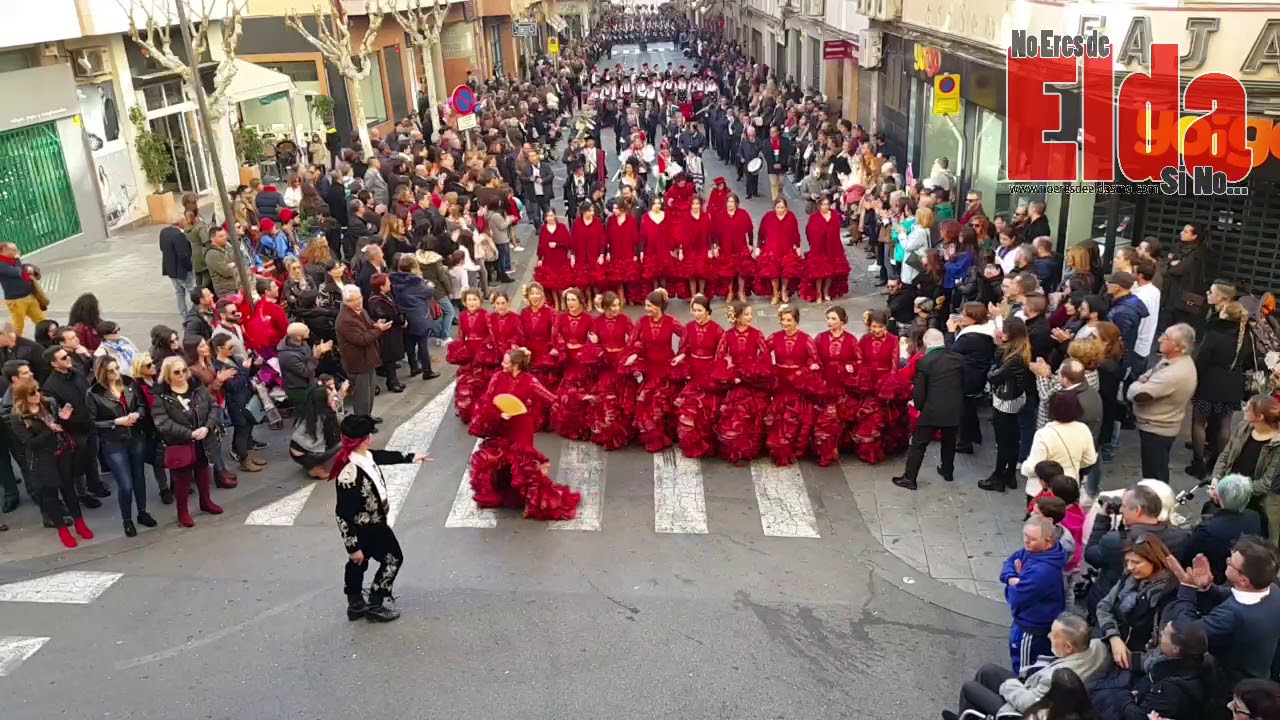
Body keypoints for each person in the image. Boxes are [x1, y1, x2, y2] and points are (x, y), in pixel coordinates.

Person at [332, 413, 430, 623]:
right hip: (369, 528)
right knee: (393, 559)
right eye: (369, 434)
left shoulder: (365, 456)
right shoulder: (349, 473)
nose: (372, 438)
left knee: (359, 562)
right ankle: (375, 603)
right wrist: (352, 547)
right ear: (365, 439)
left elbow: (384, 456)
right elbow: (342, 514)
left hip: (375, 523)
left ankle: (355, 603)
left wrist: (411, 457)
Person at [467, 348, 580, 521]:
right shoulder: (497, 377)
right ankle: (506, 495)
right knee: (498, 460)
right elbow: (487, 400)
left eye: (505, 362)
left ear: (516, 365)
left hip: (521, 426)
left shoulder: (530, 381)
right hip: (502, 425)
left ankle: (532, 502)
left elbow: (551, 398)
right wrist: (497, 415)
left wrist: (572, 399)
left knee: (523, 464)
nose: (502, 364)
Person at [942, 613, 1109, 720]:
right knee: (987, 670)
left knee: (969, 688)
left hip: (1024, 713)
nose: (1049, 636)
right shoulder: (1096, 647)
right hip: (1041, 698)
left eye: (1054, 635)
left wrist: (1008, 686)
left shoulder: (1056, 677)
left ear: (1068, 647)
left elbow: (1027, 704)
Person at [1164, 535, 1280, 686]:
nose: (1227, 561)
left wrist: (1187, 589)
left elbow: (1184, 632)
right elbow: (1231, 594)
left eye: (1230, 563)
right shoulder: (1272, 590)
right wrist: (1206, 587)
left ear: (1244, 580)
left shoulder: (1231, 615)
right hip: (1260, 674)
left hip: (1229, 686)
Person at [1085, 484, 1191, 614]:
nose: (1121, 510)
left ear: (1138, 510)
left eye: (1123, 506)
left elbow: (1090, 555)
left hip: (1113, 605)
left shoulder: (1115, 541)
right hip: (1155, 605)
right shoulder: (1181, 537)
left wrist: (1102, 519)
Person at [9, 377, 88, 548]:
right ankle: (62, 530)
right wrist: (48, 430)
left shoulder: (48, 403)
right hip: (42, 460)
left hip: (62, 453)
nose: (37, 395)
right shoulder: (18, 417)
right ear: (23, 396)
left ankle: (80, 523)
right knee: (50, 495)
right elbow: (30, 443)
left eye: (37, 390)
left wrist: (63, 419)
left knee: (69, 489)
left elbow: (59, 427)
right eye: (32, 393)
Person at [88, 356, 158, 537]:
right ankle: (127, 519)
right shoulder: (94, 393)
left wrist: (137, 414)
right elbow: (92, 423)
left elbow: (142, 405)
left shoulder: (128, 383)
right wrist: (115, 422)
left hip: (135, 437)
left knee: (139, 477)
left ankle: (142, 512)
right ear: (102, 373)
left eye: (117, 368)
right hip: (114, 442)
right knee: (125, 484)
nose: (116, 373)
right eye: (111, 370)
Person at [151, 356, 223, 528]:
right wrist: (189, 433)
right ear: (168, 375)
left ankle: (206, 502)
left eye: (184, 370)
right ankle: (182, 511)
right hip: (181, 442)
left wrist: (207, 427)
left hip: (203, 438)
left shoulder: (197, 387)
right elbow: (163, 423)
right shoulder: (162, 396)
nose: (182, 374)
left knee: (203, 472)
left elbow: (213, 405)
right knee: (182, 479)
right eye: (177, 372)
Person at [1095, 532, 1179, 669]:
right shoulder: (1129, 577)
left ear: (1155, 560)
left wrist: (1132, 661)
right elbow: (1104, 606)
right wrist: (1113, 636)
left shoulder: (1168, 594)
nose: (1129, 567)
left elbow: (1164, 647)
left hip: (1138, 662)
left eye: (1136, 562)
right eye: (1127, 561)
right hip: (1112, 645)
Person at [893, 329, 964, 489]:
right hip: (954, 407)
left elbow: (920, 390)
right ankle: (948, 471)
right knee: (949, 440)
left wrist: (918, 406)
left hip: (932, 408)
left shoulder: (924, 361)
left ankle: (909, 478)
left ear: (926, 343)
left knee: (918, 444)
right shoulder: (958, 359)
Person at [1127, 323, 1198, 482]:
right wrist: (1144, 380)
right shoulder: (1169, 361)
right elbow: (1149, 375)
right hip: (1157, 426)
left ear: (1179, 346)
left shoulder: (1175, 373)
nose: (1159, 339)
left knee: (1155, 475)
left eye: (1165, 337)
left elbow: (1137, 394)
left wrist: (1137, 385)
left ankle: (1158, 503)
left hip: (1157, 429)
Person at [1189, 300, 1252, 478]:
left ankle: (1198, 462)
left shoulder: (1215, 334)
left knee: (1199, 422)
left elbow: (1201, 361)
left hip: (1210, 383)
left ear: (1225, 315)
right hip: (1232, 386)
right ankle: (1219, 463)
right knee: (1225, 424)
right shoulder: (1246, 337)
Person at [1002, 515, 1069, 674]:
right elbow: (1009, 562)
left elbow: (1016, 598)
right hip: (1031, 621)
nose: (1026, 541)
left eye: (1032, 538)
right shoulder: (1035, 551)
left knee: (1024, 670)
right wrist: (1013, 579)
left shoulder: (1042, 572)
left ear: (1048, 541)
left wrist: (1015, 582)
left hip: (1031, 628)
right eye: (1025, 536)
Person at [713, 301, 773, 464]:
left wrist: (753, 369)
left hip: (752, 381)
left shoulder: (757, 334)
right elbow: (719, 357)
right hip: (736, 382)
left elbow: (765, 356)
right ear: (737, 317)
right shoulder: (727, 335)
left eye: (750, 314)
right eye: (746, 314)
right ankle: (736, 449)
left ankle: (751, 448)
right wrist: (730, 368)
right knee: (737, 414)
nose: (750, 317)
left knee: (754, 415)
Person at [762, 304, 821, 466]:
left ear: (796, 320)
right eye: (783, 320)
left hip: (798, 386)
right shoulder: (775, 337)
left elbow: (815, 360)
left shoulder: (806, 339)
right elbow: (763, 354)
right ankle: (778, 449)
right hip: (781, 384)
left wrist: (804, 371)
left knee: (794, 421)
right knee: (779, 419)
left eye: (789, 320)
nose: (785, 323)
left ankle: (793, 449)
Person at [628, 290, 684, 452]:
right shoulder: (642, 322)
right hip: (649, 369)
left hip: (666, 369)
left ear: (659, 306)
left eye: (649, 306)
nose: (646, 309)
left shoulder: (671, 321)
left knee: (660, 403)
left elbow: (687, 336)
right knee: (644, 401)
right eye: (646, 305)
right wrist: (634, 356)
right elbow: (633, 342)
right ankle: (652, 436)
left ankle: (664, 435)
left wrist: (681, 354)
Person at [984, 317, 1034, 492]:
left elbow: (994, 375)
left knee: (1004, 440)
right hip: (1013, 397)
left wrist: (991, 370)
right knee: (1012, 439)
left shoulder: (1015, 358)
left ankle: (999, 476)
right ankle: (1009, 474)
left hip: (1006, 401)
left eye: (1004, 332)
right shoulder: (1019, 351)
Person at [1021, 391, 1097, 502]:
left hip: (1043, 490)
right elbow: (1090, 459)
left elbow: (1033, 467)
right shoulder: (1083, 429)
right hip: (1070, 486)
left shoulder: (1043, 434)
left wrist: (1024, 467)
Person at [674, 294, 725, 459]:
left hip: (709, 373)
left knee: (707, 410)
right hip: (694, 372)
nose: (696, 314)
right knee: (690, 410)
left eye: (699, 310)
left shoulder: (717, 330)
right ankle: (693, 444)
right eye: (694, 310)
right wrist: (680, 358)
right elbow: (684, 349)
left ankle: (708, 444)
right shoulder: (688, 328)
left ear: (707, 311)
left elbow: (721, 355)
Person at [1189, 474, 1264, 584]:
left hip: (1214, 579)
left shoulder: (1207, 529)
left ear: (1219, 498)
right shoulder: (1255, 517)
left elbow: (1188, 556)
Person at [811, 305, 861, 467]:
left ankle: (837, 445)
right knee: (826, 417)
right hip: (825, 382)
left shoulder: (851, 339)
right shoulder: (820, 338)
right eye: (828, 318)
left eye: (833, 319)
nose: (829, 322)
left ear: (842, 321)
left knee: (840, 418)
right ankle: (827, 448)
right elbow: (813, 357)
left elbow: (859, 361)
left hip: (842, 384)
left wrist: (851, 368)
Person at [585, 291, 635, 449]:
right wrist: (597, 346)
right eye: (613, 305)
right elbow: (591, 345)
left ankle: (623, 433)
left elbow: (634, 338)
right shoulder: (597, 321)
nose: (616, 308)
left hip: (621, 363)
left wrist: (629, 355)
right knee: (607, 400)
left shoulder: (624, 319)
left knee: (624, 398)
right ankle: (608, 434)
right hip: (606, 364)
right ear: (605, 306)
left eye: (618, 305)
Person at [947, 302, 996, 453]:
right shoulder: (984, 332)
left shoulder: (971, 337)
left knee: (963, 409)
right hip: (977, 374)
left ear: (973, 319)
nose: (960, 318)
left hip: (968, 377)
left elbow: (950, 353)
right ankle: (975, 435)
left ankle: (965, 441)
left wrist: (950, 332)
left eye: (964, 315)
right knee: (968, 406)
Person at [336, 285, 391, 419]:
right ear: (346, 302)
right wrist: (379, 330)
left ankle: (368, 418)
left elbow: (368, 324)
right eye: (353, 300)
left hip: (368, 359)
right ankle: (362, 422)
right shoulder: (345, 320)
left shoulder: (359, 311)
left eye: (359, 298)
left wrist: (375, 325)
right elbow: (362, 339)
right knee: (361, 396)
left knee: (369, 392)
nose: (358, 302)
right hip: (358, 362)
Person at [447, 289, 494, 424]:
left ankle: (481, 410)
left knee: (481, 382)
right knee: (465, 381)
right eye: (469, 300)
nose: (472, 302)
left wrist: (485, 347)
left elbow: (491, 335)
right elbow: (461, 335)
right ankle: (465, 408)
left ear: (480, 300)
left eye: (475, 299)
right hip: (468, 351)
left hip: (482, 352)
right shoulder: (462, 316)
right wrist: (459, 350)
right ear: (464, 302)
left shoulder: (486, 315)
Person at [289, 375, 346, 479]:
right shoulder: (326, 417)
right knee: (344, 442)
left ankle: (310, 465)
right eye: (331, 394)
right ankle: (315, 468)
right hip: (309, 454)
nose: (334, 394)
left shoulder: (308, 410)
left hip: (295, 451)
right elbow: (336, 436)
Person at [367, 273, 408, 394]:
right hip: (386, 332)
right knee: (389, 357)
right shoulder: (375, 300)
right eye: (387, 281)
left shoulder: (387, 295)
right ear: (381, 286)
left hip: (393, 330)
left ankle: (394, 380)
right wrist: (398, 319)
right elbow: (384, 315)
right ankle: (392, 382)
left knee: (393, 357)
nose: (390, 283)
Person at [0, 242, 47, 336]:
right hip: (16, 301)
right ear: (2, 251)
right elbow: (17, 272)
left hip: (30, 296)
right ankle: (12, 345)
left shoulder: (11, 260)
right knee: (18, 325)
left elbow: (22, 271)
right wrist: (17, 259)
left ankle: (47, 338)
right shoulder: (2, 264)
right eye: (13, 249)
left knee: (41, 320)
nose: (17, 251)